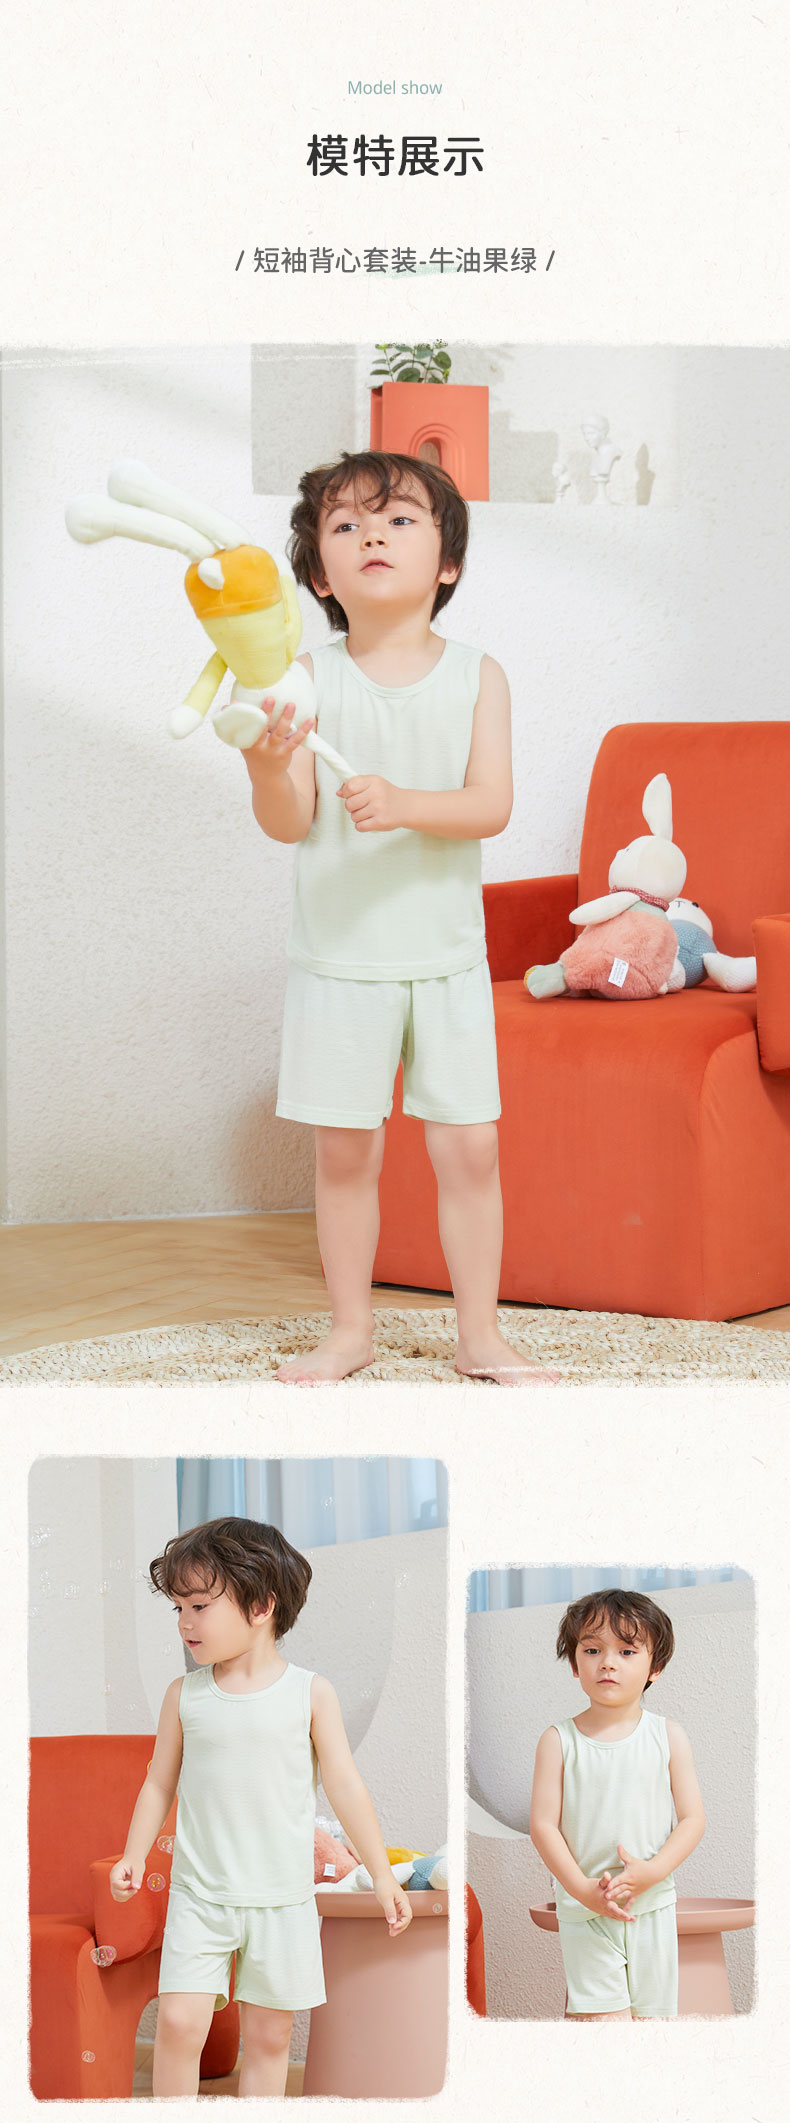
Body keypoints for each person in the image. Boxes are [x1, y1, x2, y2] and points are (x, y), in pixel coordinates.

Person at [243, 447, 558, 1386]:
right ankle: (350, 1332)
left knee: (471, 1149)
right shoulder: (304, 677)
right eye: (345, 524)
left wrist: (404, 802)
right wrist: (266, 764)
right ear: (318, 575)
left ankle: (480, 1336)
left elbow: (491, 804)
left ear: (447, 561)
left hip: (447, 960)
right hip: (339, 961)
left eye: (398, 518)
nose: (371, 534)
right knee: (346, 1155)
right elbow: (288, 822)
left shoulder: (479, 676)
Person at [110, 1516, 413, 2096]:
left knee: (271, 2037)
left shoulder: (310, 1693)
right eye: (178, 1608)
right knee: (178, 2024)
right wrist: (133, 1855)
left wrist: (381, 1876)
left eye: (200, 1606)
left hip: (282, 1899)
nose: (185, 1622)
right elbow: (158, 1784)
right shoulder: (184, 1696)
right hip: (200, 1894)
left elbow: (346, 1787)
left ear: (261, 1606)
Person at [529, 1588, 706, 2021]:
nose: (608, 1662)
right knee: (604, 2025)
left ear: (655, 1667)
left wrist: (653, 1871)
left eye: (627, 1651)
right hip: (586, 1909)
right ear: (575, 1664)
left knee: (650, 2028)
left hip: (652, 1906)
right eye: (592, 1650)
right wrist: (580, 1889)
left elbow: (692, 1819)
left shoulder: (668, 1736)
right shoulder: (558, 1741)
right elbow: (543, 1826)